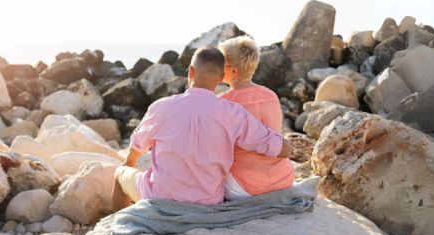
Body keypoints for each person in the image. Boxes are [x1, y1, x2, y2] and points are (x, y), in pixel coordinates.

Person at [110, 47, 294, 210]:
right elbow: (269, 143)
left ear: (190, 72)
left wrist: (130, 162)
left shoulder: (161, 107)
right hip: (208, 202)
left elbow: (137, 147)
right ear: (222, 77)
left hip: (161, 197)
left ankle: (116, 230)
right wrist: (289, 148)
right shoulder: (233, 113)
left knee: (120, 174)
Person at [217, 36, 295, 201]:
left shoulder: (224, 102)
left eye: (221, 63)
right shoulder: (270, 95)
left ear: (233, 71)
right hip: (283, 180)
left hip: (246, 187)